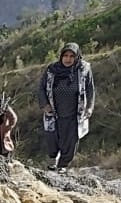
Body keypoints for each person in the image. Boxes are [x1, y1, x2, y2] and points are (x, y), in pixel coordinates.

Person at [40, 42, 96, 171]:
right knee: (52, 138)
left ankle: (63, 165)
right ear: (61, 56)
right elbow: (41, 88)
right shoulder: (52, 70)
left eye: (72, 56)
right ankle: (52, 162)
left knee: (70, 141)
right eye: (65, 55)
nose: (68, 59)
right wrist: (44, 104)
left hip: (74, 113)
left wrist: (89, 108)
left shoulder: (84, 69)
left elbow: (90, 89)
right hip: (53, 112)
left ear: (77, 57)